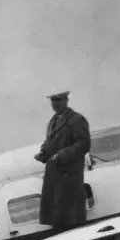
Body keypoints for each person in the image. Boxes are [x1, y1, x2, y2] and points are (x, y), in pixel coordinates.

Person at [35, 91, 91, 230]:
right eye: (53, 100)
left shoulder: (77, 119)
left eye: (58, 100)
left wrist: (62, 154)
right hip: (54, 175)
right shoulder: (52, 122)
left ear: (66, 100)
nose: (55, 104)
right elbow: (49, 141)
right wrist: (43, 152)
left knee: (71, 218)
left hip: (69, 176)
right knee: (57, 217)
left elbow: (83, 144)